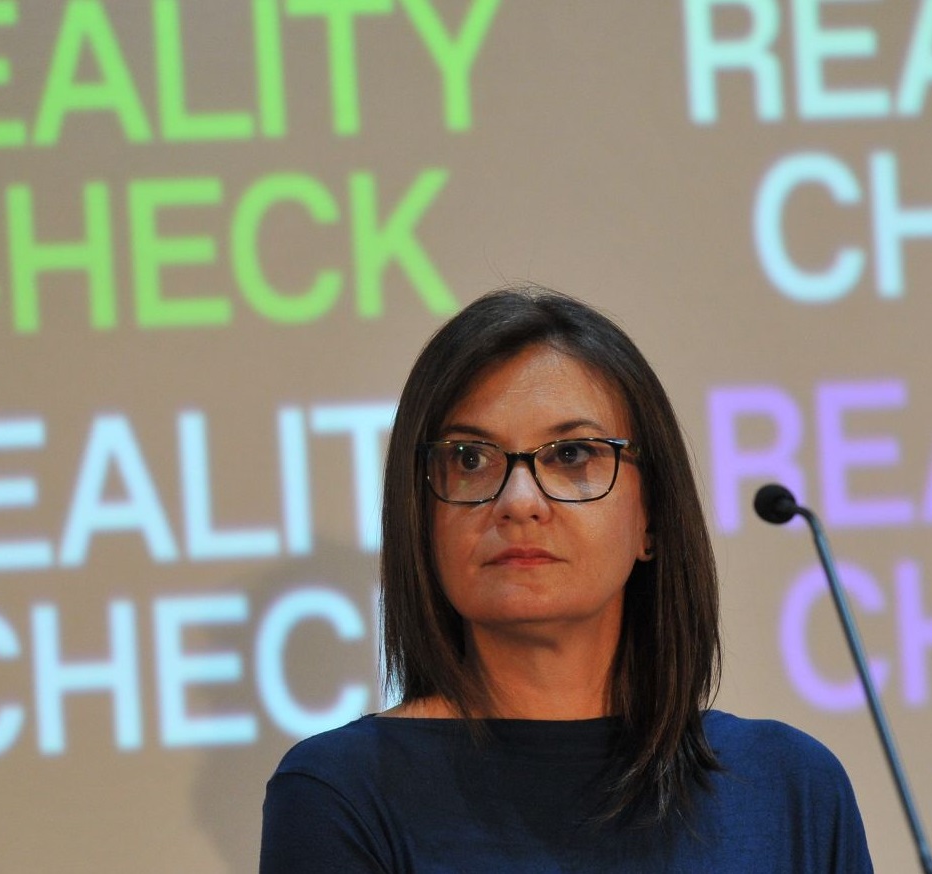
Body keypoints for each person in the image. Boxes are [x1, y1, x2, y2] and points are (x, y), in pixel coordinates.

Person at [260, 285, 873, 872]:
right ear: (420, 520)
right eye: (470, 459)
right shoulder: (340, 793)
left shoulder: (789, 788)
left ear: (651, 517)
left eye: (572, 455)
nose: (519, 502)